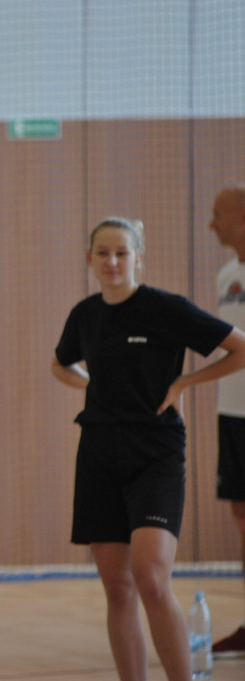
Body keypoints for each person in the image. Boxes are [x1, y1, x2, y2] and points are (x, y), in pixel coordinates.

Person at [52, 216, 245, 681]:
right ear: (89, 259)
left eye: (122, 252)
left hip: (155, 454)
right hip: (98, 452)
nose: (112, 261)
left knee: (152, 579)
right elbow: (60, 365)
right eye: (103, 253)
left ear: (139, 257)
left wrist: (183, 383)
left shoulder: (165, 308)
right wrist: (92, 384)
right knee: (117, 589)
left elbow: (240, 348)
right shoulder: (85, 314)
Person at [208, 185, 245, 658]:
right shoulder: (226, 276)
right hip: (232, 412)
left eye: (218, 214)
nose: (211, 224)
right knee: (241, 514)